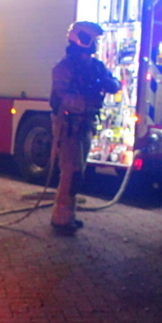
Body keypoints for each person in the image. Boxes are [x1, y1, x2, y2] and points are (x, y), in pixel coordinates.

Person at [49, 21, 120, 236]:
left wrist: (106, 82)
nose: (96, 45)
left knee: (78, 172)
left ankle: (68, 215)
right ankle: (60, 219)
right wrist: (87, 95)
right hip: (68, 124)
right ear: (80, 38)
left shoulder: (96, 66)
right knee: (71, 172)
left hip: (86, 123)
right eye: (93, 40)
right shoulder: (64, 68)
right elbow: (63, 98)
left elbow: (114, 85)